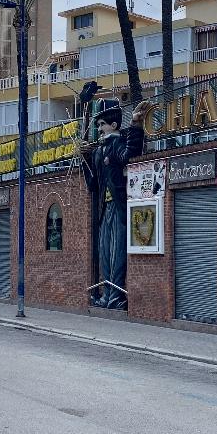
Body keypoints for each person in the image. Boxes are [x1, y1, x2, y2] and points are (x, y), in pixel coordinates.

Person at [80, 99, 156, 310]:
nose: (99, 129)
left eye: (102, 124)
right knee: (104, 250)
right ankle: (107, 294)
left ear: (113, 125)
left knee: (117, 250)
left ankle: (116, 295)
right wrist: (83, 160)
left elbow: (129, 155)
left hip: (118, 205)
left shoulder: (117, 143)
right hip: (104, 209)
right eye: (98, 125)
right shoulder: (97, 152)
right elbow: (92, 184)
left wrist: (135, 126)